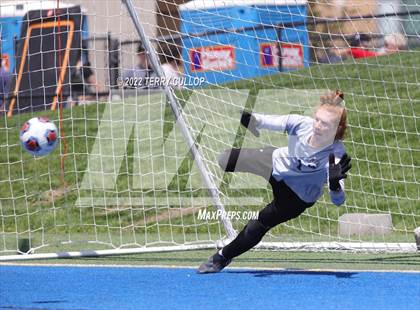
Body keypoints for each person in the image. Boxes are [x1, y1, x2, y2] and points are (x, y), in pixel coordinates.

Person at [197, 90, 352, 274]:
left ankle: (222, 257)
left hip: (296, 196)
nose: (317, 126)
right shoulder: (302, 124)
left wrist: (334, 186)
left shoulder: (336, 154)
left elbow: (338, 201)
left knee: (259, 224)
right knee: (225, 159)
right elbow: (272, 121)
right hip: (276, 164)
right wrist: (254, 120)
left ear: (337, 129)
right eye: (317, 119)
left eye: (325, 124)